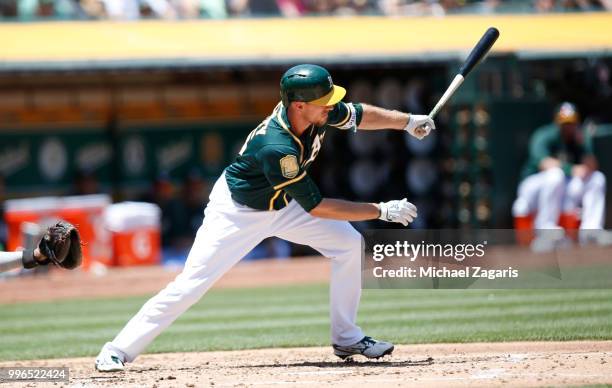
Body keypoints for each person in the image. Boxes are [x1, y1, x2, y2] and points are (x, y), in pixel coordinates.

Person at [95, 64, 435, 372]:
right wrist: (380, 210)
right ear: (299, 105)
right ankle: (117, 350)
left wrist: (406, 121)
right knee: (191, 285)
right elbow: (315, 205)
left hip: (283, 203)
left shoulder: (316, 111)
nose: (332, 105)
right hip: (238, 212)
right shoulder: (277, 146)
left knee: (348, 244)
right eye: (325, 100)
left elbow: (359, 115)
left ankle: (346, 338)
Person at [512, 102, 606, 242]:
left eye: (571, 123)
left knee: (597, 178)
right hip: (534, 186)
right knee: (555, 175)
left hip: (562, 186)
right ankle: (545, 227)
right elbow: (544, 164)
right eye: (565, 123)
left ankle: (591, 231)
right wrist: (571, 169)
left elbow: (591, 167)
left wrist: (584, 145)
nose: (568, 127)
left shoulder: (579, 137)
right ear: (557, 122)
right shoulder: (545, 135)